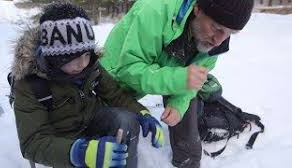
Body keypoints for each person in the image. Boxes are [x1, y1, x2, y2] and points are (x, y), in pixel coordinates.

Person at [101, 0, 254, 167]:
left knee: (189, 95)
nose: (219, 41)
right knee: (122, 128)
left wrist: (178, 104)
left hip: (161, 72)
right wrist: (179, 78)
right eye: (216, 28)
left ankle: (187, 161)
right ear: (197, 9)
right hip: (107, 84)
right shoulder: (154, 11)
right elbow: (128, 70)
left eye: (230, 33)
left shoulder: (214, 43)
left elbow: (194, 80)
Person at [11, 3, 164, 168]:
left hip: (91, 119)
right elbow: (32, 143)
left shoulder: (90, 65)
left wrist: (142, 113)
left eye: (86, 54)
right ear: (54, 57)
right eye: (73, 58)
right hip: (61, 140)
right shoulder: (29, 84)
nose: (83, 64)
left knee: (126, 120)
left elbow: (115, 95)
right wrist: (79, 152)